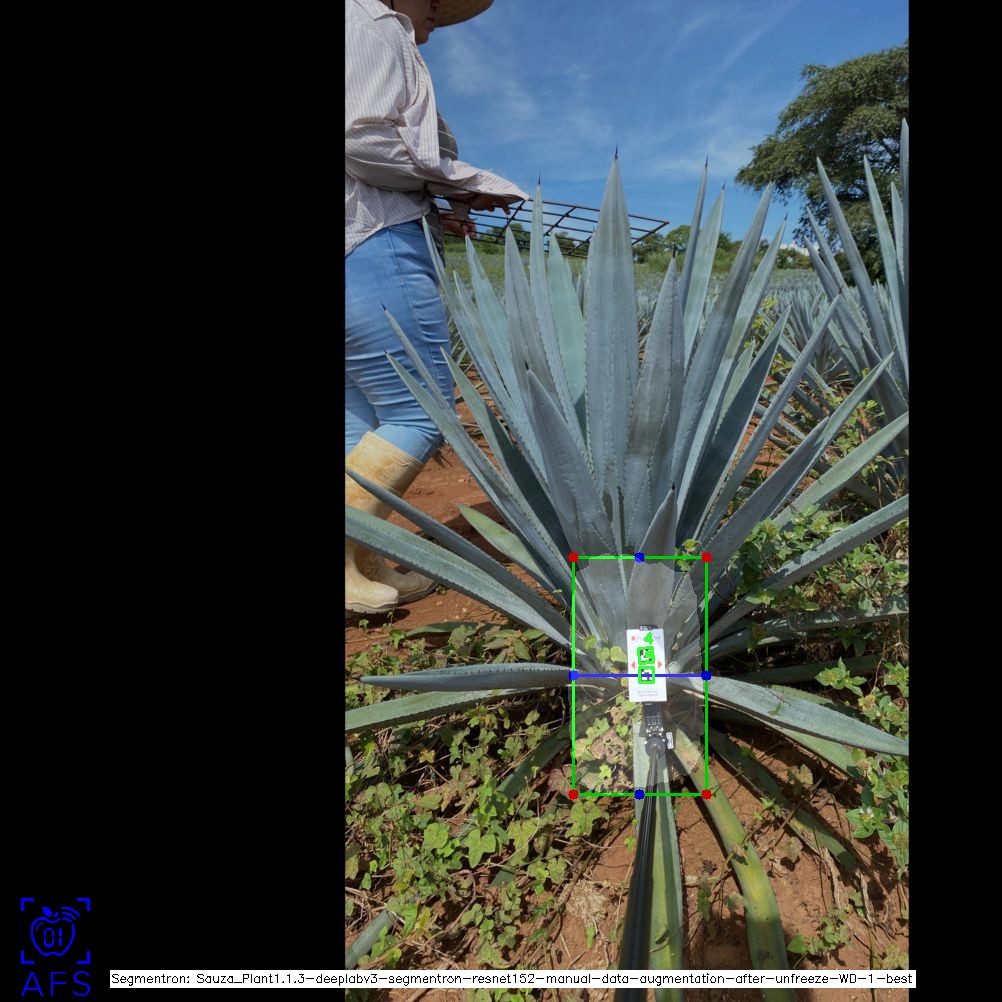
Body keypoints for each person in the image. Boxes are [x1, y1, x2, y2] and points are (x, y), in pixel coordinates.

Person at [345, 0, 527, 615]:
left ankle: (364, 560)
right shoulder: (373, 23)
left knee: (360, 417)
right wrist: (462, 179)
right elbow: (361, 139)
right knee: (421, 411)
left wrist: (433, 207)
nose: (433, 24)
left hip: (353, 241)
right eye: (432, 8)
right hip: (375, 244)